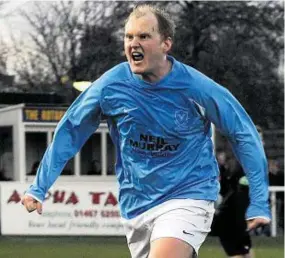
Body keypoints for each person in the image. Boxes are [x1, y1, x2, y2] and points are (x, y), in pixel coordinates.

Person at [21, 4, 270, 258]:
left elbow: (243, 133)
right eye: (129, 36)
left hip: (188, 195)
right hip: (136, 204)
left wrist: (260, 199)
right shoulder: (111, 86)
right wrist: (39, 187)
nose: (133, 43)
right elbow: (70, 130)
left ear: (166, 44)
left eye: (143, 36)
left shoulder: (197, 88)